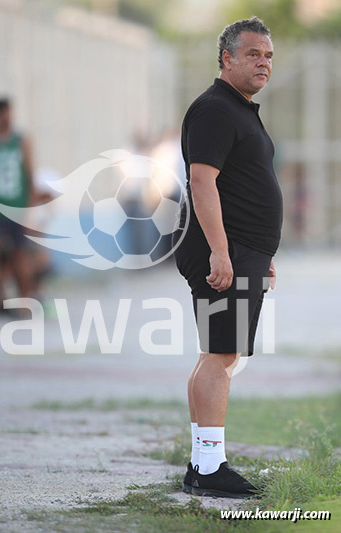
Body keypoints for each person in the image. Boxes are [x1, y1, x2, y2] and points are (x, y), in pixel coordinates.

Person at [173, 17, 283, 498]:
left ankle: (202, 464)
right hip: (227, 251)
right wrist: (222, 252)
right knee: (222, 355)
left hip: (243, 250)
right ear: (227, 58)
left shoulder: (237, 109)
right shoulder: (215, 109)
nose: (263, 62)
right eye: (254, 54)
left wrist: (263, 252)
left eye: (269, 56)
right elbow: (202, 180)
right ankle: (212, 468)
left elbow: (241, 185)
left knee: (217, 353)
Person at [0, 98, 36, 315]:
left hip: (16, 208)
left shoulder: (21, 141)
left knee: (19, 257)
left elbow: (30, 173)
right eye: (2, 113)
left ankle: (25, 302)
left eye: (8, 113)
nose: (6, 117)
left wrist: (30, 209)